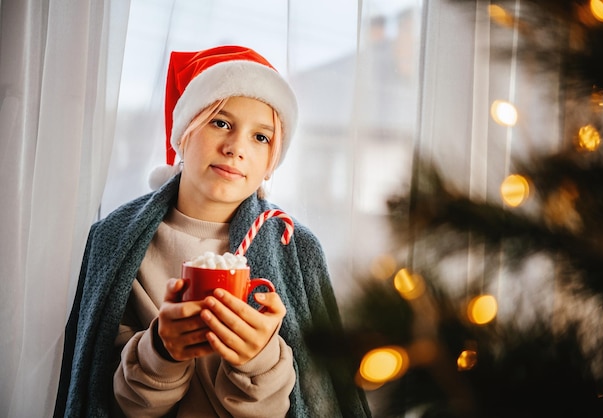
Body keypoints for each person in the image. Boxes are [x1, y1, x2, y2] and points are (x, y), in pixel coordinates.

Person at [53, 45, 371, 417]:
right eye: (221, 122)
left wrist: (259, 358)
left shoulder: (294, 248)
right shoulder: (115, 242)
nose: (237, 147)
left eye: (261, 137)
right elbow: (114, 401)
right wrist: (161, 350)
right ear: (183, 133)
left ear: (272, 163)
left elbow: (312, 397)